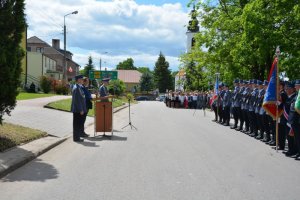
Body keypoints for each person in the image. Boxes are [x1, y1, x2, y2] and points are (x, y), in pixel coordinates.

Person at [71, 75, 87, 142]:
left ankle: (77, 137)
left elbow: (81, 98)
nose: (83, 80)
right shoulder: (77, 88)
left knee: (77, 124)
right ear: (78, 80)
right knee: (76, 124)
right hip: (77, 110)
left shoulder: (79, 87)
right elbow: (77, 100)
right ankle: (76, 138)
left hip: (78, 109)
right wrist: (81, 109)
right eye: (81, 79)